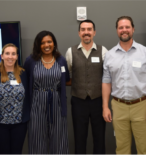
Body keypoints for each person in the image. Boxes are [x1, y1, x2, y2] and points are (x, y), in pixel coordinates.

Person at [102, 16, 146, 155]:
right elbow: (106, 81)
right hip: (118, 106)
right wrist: (105, 107)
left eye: (127, 27)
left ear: (133, 29)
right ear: (117, 30)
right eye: (121, 27)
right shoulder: (110, 55)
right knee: (121, 148)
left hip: (142, 105)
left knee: (144, 147)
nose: (124, 30)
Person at [65, 19, 108, 155]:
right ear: (79, 33)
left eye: (89, 29)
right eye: (83, 30)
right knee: (79, 138)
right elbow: (67, 76)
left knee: (99, 138)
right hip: (78, 101)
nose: (86, 32)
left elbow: (107, 76)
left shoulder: (103, 51)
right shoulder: (71, 52)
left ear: (94, 32)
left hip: (98, 100)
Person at [24, 30, 70, 155]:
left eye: (49, 41)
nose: (46, 45)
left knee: (59, 139)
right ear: (38, 45)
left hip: (57, 102)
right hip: (36, 102)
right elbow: (25, 80)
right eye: (42, 43)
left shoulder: (61, 60)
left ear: (54, 43)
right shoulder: (31, 61)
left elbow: (67, 80)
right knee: (37, 138)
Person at [0, 43, 30, 155]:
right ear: (2, 56)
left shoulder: (24, 73)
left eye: (13, 54)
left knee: (17, 152)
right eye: (7, 53)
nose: (10, 56)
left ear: (17, 56)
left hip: (19, 124)